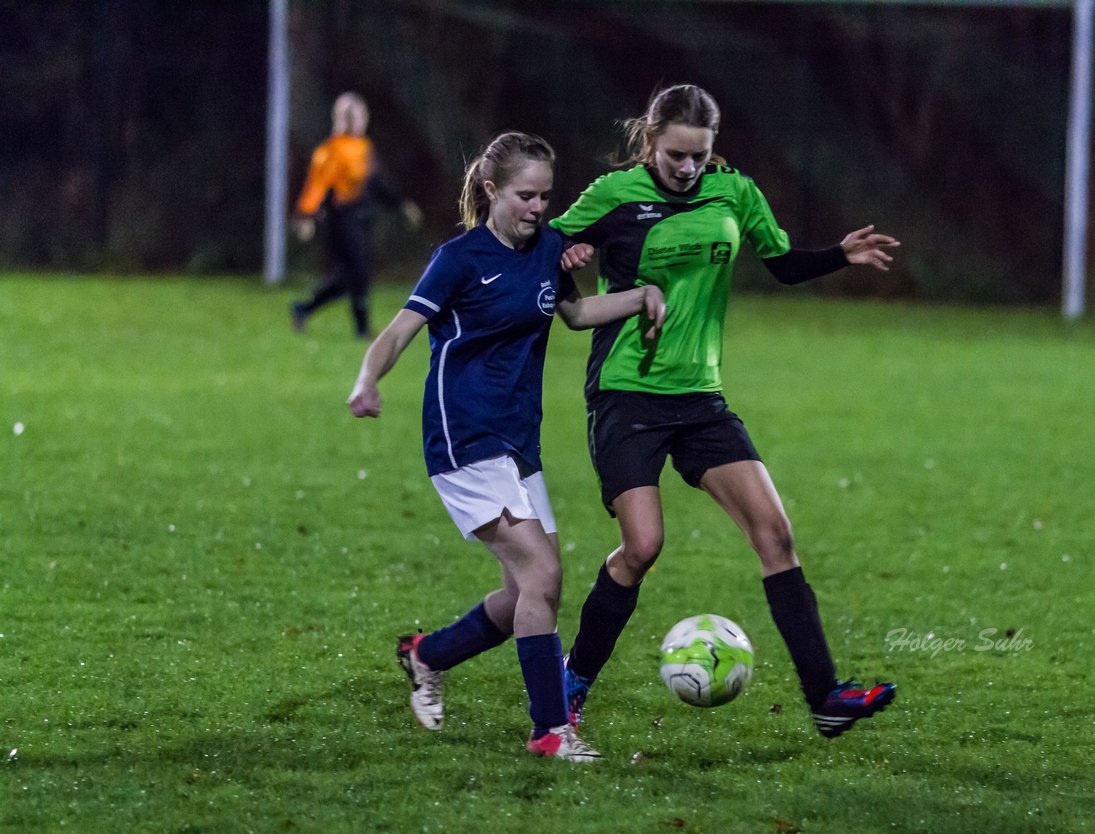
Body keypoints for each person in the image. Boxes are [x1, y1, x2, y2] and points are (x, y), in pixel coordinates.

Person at [550, 84, 900, 740]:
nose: (688, 169)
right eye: (677, 155)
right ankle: (571, 683)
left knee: (776, 535)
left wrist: (839, 255)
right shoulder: (613, 195)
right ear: (651, 141)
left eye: (700, 157)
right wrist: (567, 257)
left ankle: (826, 698)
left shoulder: (735, 191)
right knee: (642, 546)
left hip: (701, 399)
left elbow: (783, 265)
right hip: (627, 391)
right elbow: (541, 250)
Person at [348, 131, 665, 762]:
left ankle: (426, 655)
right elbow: (399, 330)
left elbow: (574, 317)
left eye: (546, 196)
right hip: (463, 438)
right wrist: (366, 379)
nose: (538, 207)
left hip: (520, 441)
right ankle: (551, 731)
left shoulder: (549, 250)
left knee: (529, 593)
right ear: (492, 190)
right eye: (525, 195)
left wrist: (641, 297)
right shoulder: (460, 258)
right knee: (541, 575)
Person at [292, 92, 423, 338]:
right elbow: (318, 186)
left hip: (362, 218)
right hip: (339, 219)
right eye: (357, 116)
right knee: (358, 272)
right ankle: (362, 329)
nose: (362, 121)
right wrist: (307, 216)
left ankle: (304, 308)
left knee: (348, 277)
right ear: (344, 119)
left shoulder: (363, 147)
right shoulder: (332, 149)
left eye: (364, 116)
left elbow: (374, 183)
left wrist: (400, 205)